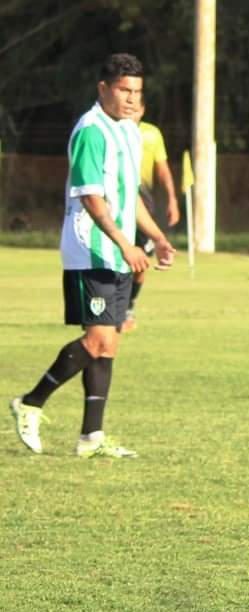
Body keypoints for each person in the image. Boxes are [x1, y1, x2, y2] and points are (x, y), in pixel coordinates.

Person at [9, 53, 175, 458]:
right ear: (103, 89)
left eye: (137, 92)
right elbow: (91, 197)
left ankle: (91, 438)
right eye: (123, 90)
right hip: (92, 250)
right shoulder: (91, 130)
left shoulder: (129, 131)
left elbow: (129, 197)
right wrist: (124, 243)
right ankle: (30, 402)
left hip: (118, 252)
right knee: (98, 339)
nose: (132, 99)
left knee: (109, 344)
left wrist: (156, 237)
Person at [125, 99, 180, 331]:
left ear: (142, 110)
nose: (131, 111)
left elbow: (163, 169)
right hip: (117, 201)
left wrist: (172, 199)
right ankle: (108, 308)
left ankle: (128, 308)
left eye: (136, 107)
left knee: (141, 263)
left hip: (143, 202)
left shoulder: (151, 134)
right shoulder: (111, 132)